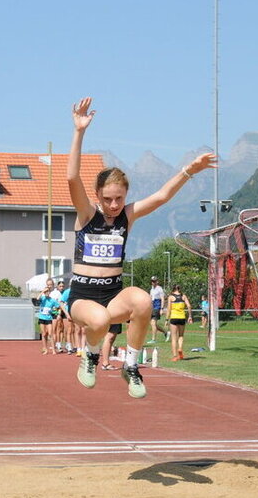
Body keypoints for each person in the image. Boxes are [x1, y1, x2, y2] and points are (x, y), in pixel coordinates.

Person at [67, 96, 218, 398]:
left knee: (143, 301)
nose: (113, 205)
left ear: (125, 196)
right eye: (107, 199)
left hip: (113, 294)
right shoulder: (86, 214)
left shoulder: (127, 215)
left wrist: (189, 170)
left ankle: (131, 366)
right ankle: (91, 355)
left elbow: (161, 197)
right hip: (83, 297)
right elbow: (72, 177)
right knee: (99, 320)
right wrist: (79, 131)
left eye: (119, 199)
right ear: (97, 195)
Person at [164, 284, 192, 361]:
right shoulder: (183, 296)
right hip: (182, 317)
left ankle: (174, 356)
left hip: (174, 318)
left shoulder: (171, 297)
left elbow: (169, 309)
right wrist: (190, 316)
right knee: (181, 335)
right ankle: (180, 348)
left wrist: (166, 320)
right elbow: (189, 306)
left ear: (173, 289)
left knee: (173, 338)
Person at [35, 281, 58, 354]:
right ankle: (45, 349)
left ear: (50, 292)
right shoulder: (42, 298)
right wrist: (42, 291)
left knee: (50, 334)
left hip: (48, 319)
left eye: (48, 292)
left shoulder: (52, 300)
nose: (47, 293)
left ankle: (53, 349)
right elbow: (37, 299)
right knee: (44, 334)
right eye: (46, 292)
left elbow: (58, 307)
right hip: (42, 318)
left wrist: (55, 312)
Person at [147, 276, 169, 343]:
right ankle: (165, 332)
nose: (153, 282)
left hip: (157, 306)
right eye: (152, 281)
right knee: (153, 324)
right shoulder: (151, 289)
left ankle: (153, 339)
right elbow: (150, 298)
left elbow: (162, 299)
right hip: (152, 307)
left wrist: (161, 308)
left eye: (154, 281)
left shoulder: (159, 289)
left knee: (153, 323)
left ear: (157, 281)